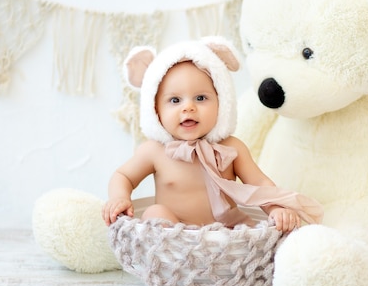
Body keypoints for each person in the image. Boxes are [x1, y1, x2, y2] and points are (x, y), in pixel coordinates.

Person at [102, 37, 323, 233]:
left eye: (200, 98)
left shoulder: (232, 148)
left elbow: (259, 184)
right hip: (173, 239)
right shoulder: (154, 150)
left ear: (222, 102)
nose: (188, 108)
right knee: (154, 212)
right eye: (175, 100)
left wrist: (276, 207)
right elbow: (124, 176)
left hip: (225, 235)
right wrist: (120, 198)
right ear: (155, 110)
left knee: (254, 232)